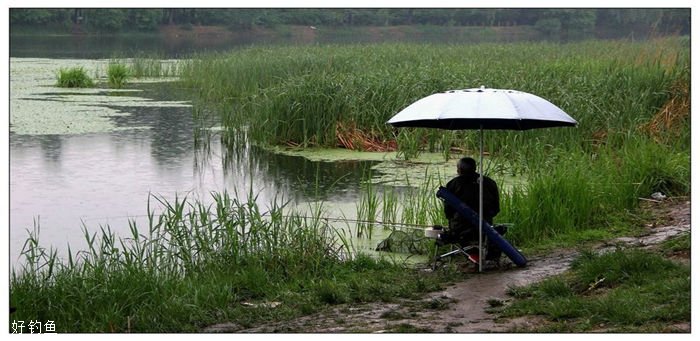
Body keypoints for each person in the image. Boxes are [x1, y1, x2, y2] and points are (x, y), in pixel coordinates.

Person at [440, 157, 502, 262]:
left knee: (455, 224)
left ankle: (470, 253)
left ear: (459, 170)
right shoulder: (489, 183)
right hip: (485, 227)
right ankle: (484, 254)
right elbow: (496, 209)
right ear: (475, 168)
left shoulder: (453, 184)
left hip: (460, 229)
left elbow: (448, 212)